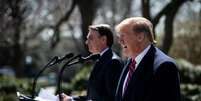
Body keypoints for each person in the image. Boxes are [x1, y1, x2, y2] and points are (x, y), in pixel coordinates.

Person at [115, 17, 181, 101]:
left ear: (140, 37)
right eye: (119, 36)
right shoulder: (130, 62)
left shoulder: (165, 66)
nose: (120, 41)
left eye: (123, 36)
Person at [62, 24, 122, 101]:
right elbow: (93, 96)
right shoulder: (100, 59)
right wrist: (70, 99)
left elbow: (112, 98)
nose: (87, 42)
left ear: (103, 39)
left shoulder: (113, 62)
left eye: (90, 38)